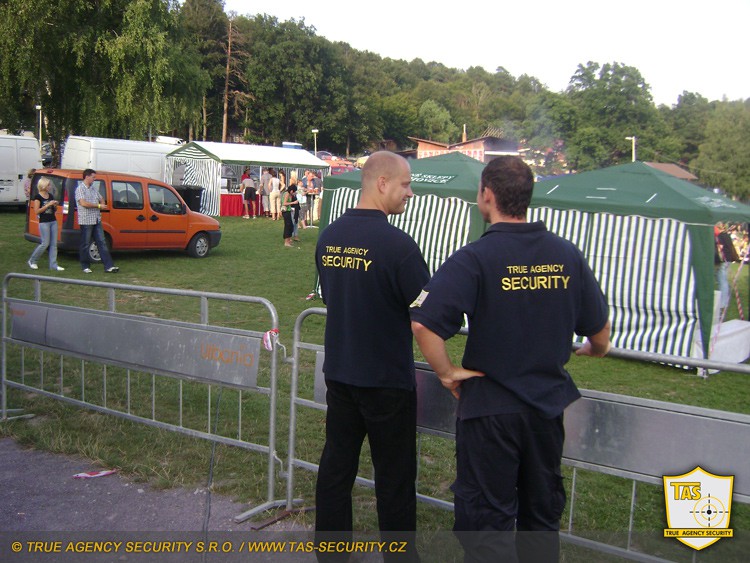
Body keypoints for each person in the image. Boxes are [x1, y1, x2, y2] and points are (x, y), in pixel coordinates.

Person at [410, 156, 611, 563]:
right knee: (540, 519)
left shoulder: (475, 256)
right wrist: (592, 350)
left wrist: (447, 373)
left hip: (490, 414)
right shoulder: (567, 254)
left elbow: (423, 325)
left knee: (488, 523)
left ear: (486, 195)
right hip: (545, 412)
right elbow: (601, 336)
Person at [314, 151, 429, 562]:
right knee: (394, 480)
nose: (410, 193)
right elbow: (425, 313)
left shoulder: (329, 236)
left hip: (341, 374)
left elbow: (333, 296)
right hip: (386, 383)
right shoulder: (399, 247)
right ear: (382, 183)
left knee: (336, 470)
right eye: (405, 185)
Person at [75, 169, 119, 274]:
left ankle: (108, 266)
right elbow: (83, 203)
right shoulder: (80, 189)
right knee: (85, 243)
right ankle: (85, 266)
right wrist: (98, 206)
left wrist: (102, 203)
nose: (94, 179)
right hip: (86, 221)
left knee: (102, 242)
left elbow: (101, 198)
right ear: (87, 177)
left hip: (96, 219)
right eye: (93, 177)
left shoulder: (93, 189)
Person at [27, 177, 64, 271]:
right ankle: (32, 260)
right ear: (43, 185)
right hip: (44, 222)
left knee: (53, 244)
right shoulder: (38, 197)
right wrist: (47, 205)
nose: (50, 186)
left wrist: (54, 205)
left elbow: (53, 210)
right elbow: (37, 211)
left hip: (53, 221)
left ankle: (53, 265)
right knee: (45, 243)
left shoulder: (50, 195)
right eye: (48, 185)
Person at [715, 223, 739, 313]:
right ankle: (727, 296)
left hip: (723, 260)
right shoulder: (727, 235)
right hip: (728, 260)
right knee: (723, 279)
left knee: (722, 281)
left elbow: (720, 248)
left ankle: (723, 303)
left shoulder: (720, 236)